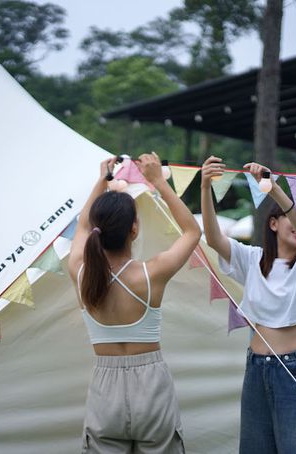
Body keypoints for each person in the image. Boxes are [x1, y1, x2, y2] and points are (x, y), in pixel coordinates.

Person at [68, 152, 201, 454]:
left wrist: (102, 181)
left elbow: (83, 227)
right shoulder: (151, 273)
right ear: (134, 229)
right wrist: (159, 182)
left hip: (105, 391)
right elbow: (192, 231)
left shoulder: (80, 271)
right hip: (152, 387)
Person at [200, 156, 296, 454]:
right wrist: (205, 187)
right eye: (295, 216)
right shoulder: (253, 259)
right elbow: (214, 239)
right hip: (256, 368)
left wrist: (272, 188)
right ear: (273, 223)